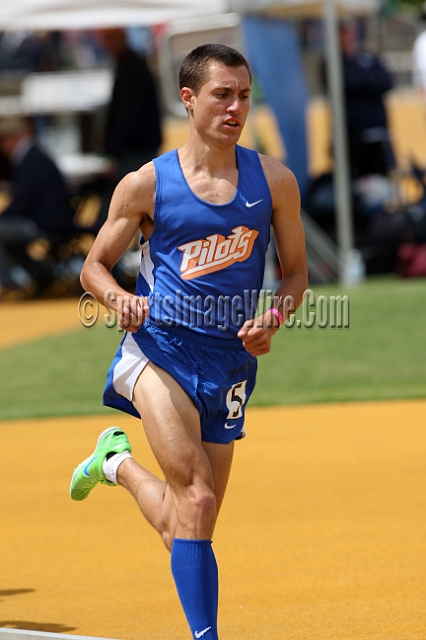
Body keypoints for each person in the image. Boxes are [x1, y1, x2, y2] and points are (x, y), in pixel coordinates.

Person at [70, 44, 308, 639]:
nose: (236, 108)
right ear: (189, 98)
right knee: (197, 502)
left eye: (245, 95)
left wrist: (272, 318)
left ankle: (116, 463)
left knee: (188, 526)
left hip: (228, 364)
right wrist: (116, 297)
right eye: (222, 95)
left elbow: (298, 274)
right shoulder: (147, 183)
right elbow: (93, 266)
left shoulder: (274, 180)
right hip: (159, 352)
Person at [96, 27, 163, 227]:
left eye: (110, 37)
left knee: (121, 209)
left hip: (135, 151)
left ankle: (111, 256)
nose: (107, 43)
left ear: (122, 37)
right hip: (135, 149)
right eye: (105, 37)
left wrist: (114, 150)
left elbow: (129, 115)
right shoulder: (127, 64)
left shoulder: (132, 66)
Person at [0, 116, 73, 295]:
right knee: (7, 233)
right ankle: (40, 274)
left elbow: (21, 202)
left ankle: (8, 283)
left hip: (45, 224)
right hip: (50, 220)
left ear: (10, 138)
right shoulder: (34, 155)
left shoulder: (29, 160)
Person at [338, 18, 396, 178]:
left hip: (378, 133)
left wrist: (363, 82)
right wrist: (370, 80)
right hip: (353, 138)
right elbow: (348, 84)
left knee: (383, 182)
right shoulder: (336, 62)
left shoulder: (369, 58)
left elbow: (387, 82)